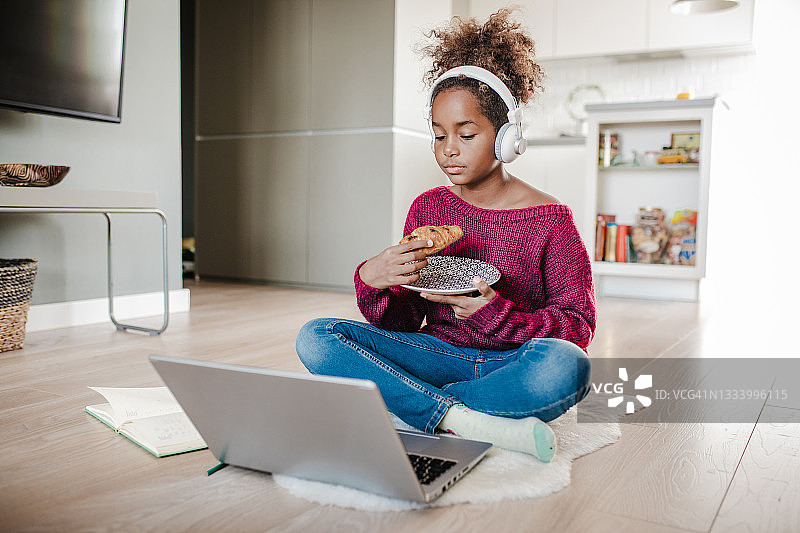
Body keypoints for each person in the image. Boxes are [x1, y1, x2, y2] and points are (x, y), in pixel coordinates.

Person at [296, 9, 595, 463]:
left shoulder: (551, 219)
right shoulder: (429, 208)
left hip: (513, 362)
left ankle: (421, 403)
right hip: (435, 352)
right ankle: (465, 417)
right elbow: (402, 323)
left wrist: (494, 313)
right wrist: (375, 279)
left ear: (507, 138)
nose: (449, 149)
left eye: (466, 133)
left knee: (568, 366)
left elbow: (577, 327)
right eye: (438, 136)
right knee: (316, 337)